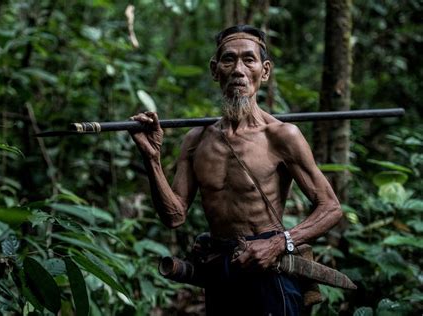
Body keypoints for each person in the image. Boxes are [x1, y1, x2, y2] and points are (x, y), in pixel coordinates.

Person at [130, 25, 343, 316]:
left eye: (249, 60)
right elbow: (174, 216)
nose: (238, 70)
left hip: (270, 269)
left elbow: (330, 207)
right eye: (229, 60)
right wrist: (152, 160)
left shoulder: (282, 136)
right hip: (221, 269)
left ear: (264, 71)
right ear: (215, 70)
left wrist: (279, 243)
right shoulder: (196, 140)